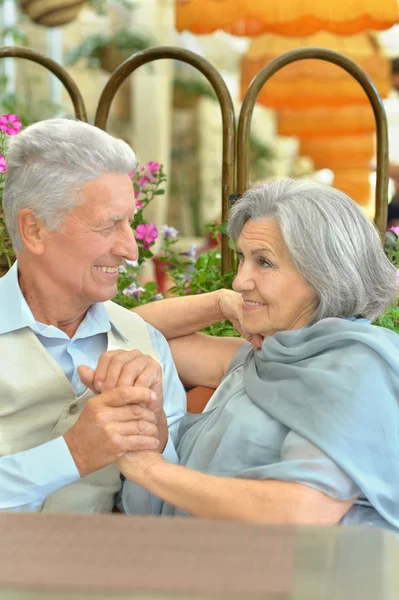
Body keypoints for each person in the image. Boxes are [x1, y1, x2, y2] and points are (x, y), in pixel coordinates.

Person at [120, 178, 399, 530]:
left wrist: (146, 468)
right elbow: (131, 334)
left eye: (264, 262)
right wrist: (220, 302)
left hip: (299, 580)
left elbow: (299, 512)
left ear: (323, 274)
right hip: (215, 571)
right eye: (242, 258)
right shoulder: (263, 358)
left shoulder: (358, 367)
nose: (240, 280)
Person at [0, 118, 186, 513]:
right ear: (34, 230)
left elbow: (159, 517)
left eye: (130, 222)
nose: (131, 249)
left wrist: (152, 440)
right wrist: (73, 454)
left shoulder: (144, 343)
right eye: (108, 225)